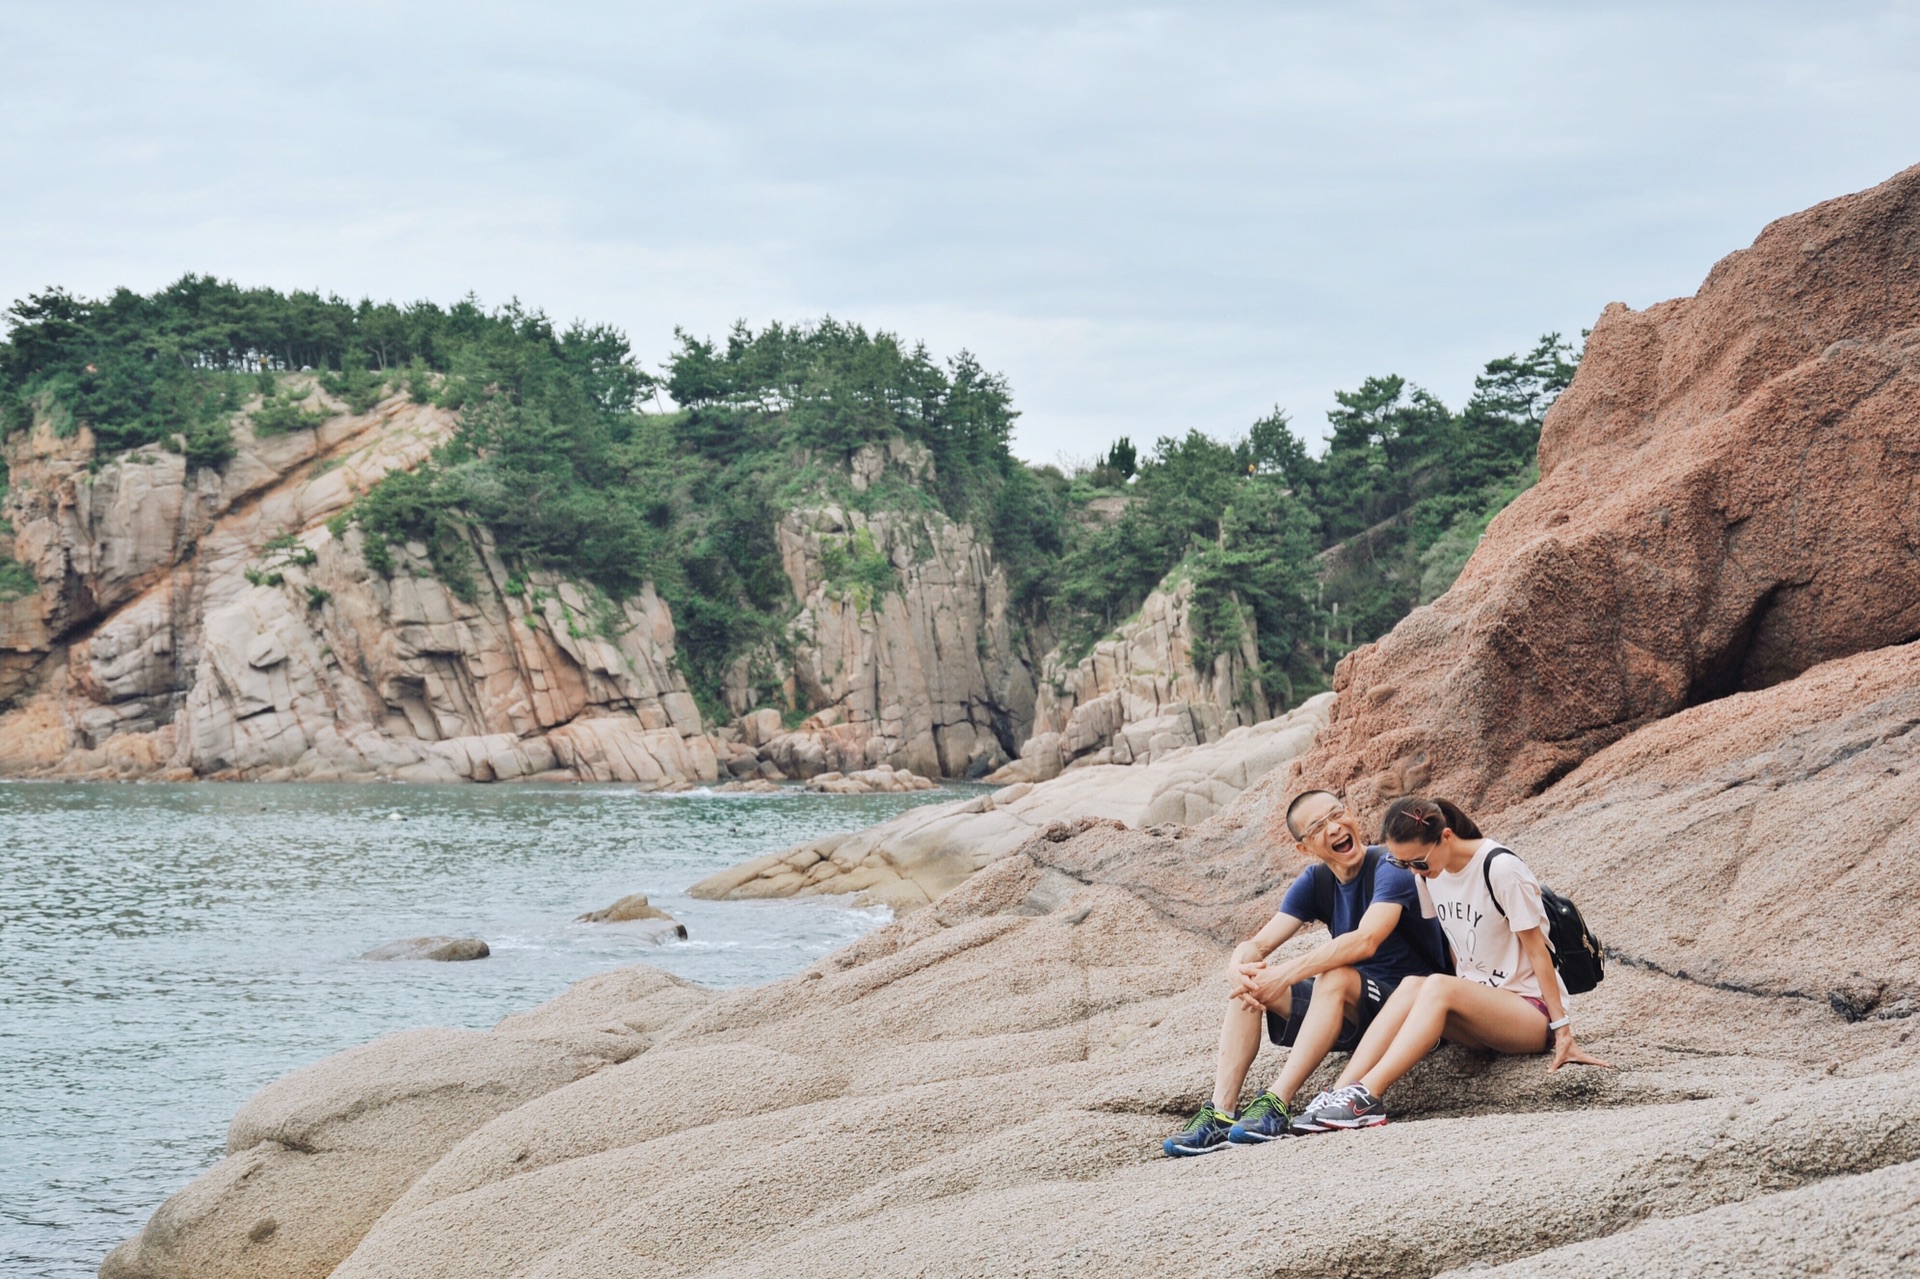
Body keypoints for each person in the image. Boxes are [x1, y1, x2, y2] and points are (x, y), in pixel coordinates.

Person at [1290, 796, 1610, 1132]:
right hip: (1481, 1013)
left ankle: (1367, 1097)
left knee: (1437, 985)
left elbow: (1538, 954)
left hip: (1529, 1014)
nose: (1413, 872)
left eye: (1418, 862)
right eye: (1402, 865)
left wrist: (1564, 1034)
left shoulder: (1499, 869)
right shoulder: (1430, 875)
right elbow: (1456, 945)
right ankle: (1341, 1092)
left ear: (1445, 837)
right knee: (1414, 984)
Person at [1162, 789, 1450, 1156]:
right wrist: (1238, 966)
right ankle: (1221, 1112)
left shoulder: (1391, 866)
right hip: (1350, 1012)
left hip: (1408, 1006)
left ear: (1351, 814)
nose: (1334, 828)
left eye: (1337, 815)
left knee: (1336, 975)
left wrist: (1284, 974)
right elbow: (1258, 944)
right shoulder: (1317, 882)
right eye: (1318, 827)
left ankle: (1277, 1104)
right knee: (1250, 982)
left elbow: (1366, 941)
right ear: (1305, 848)